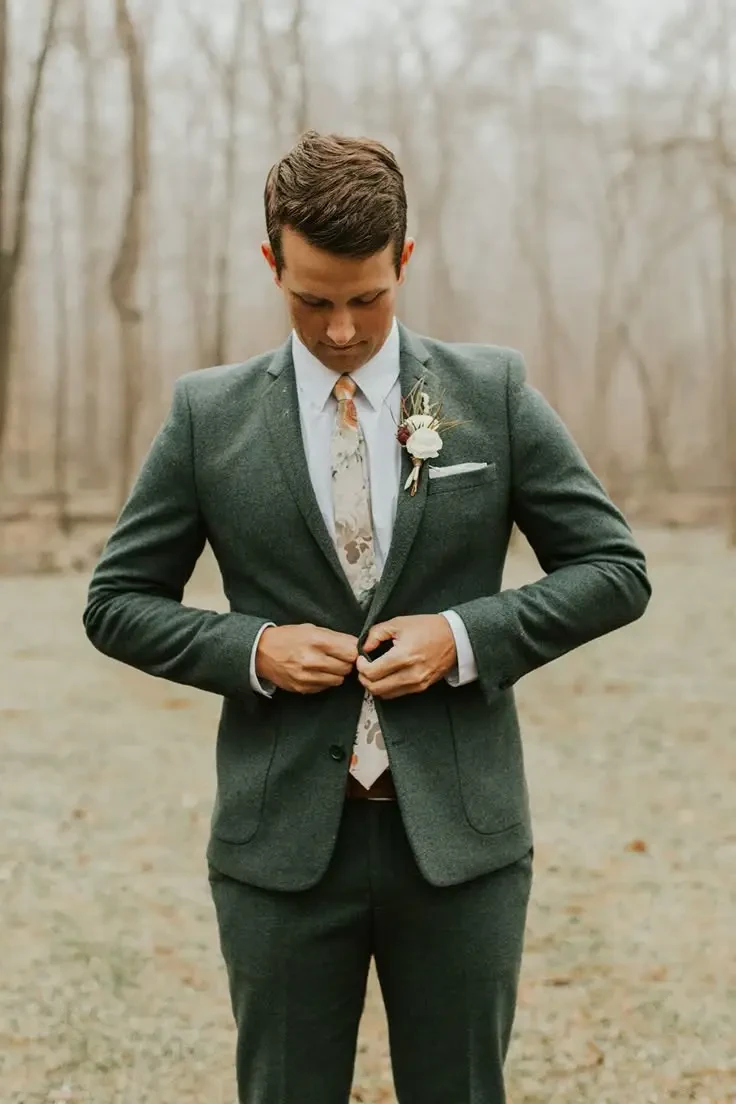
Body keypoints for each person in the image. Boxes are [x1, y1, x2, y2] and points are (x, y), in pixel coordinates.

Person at [83, 130, 651, 1104]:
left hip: (460, 847)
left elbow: (614, 569)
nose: (342, 329)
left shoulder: (493, 395)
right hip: (281, 853)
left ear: (405, 261)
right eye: (312, 300)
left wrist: (464, 637)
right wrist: (253, 647)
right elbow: (116, 602)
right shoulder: (205, 417)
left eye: (366, 298)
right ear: (272, 263)